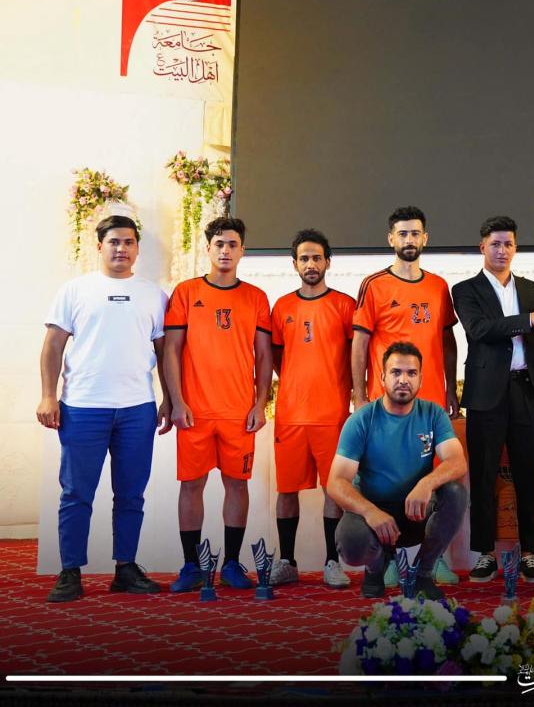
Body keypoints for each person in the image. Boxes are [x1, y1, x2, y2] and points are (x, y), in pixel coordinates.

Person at [37, 215, 172, 602]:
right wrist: (48, 395)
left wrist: (169, 398)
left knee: (131, 495)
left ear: (137, 249)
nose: (121, 248)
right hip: (83, 407)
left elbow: (165, 354)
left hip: (137, 408)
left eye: (129, 242)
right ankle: (70, 572)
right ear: (100, 246)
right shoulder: (75, 290)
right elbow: (52, 346)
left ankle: (125, 569)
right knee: (76, 494)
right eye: (114, 242)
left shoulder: (154, 295)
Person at [452, 216, 534, 583]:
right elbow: (480, 330)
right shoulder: (465, 290)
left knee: (529, 475)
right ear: (482, 247)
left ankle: (530, 553)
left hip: (525, 390)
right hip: (486, 395)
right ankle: (485, 554)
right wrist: (532, 318)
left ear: (516, 248)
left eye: (509, 244)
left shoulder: (530, 288)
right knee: (484, 476)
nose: (502, 250)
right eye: (496, 244)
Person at [351, 206, 459, 586]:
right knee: (387, 481)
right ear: (391, 239)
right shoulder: (374, 285)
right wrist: (360, 396)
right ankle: (391, 559)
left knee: (437, 482)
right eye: (402, 233)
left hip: (430, 405)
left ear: (425, 238)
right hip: (387, 406)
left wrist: (451, 387)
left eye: (415, 233)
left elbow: (447, 341)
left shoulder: (439, 286)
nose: (409, 240)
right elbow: (359, 343)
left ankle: (434, 558)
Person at [164, 217, 273, 592]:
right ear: (208, 248)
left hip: (238, 412)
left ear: (242, 250)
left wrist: (260, 403)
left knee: (237, 485)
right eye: (219, 244)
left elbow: (264, 356)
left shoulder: (256, 297)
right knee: (191, 485)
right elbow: (171, 351)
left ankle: (231, 563)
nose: (225, 250)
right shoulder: (186, 292)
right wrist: (177, 401)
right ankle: (191, 566)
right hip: (194, 411)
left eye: (232, 244)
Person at [328, 342, 468, 600]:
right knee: (351, 541)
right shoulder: (361, 420)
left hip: (416, 510)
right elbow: (336, 482)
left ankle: (423, 573)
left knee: (456, 493)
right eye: (396, 372)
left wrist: (426, 484)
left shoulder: (433, 414)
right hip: (374, 516)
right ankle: (375, 568)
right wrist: (370, 511)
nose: (403, 380)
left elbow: (458, 462)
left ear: (420, 379)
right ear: (382, 377)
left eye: (411, 373)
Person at [268, 229, 355, 589]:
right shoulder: (282, 307)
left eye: (317, 257)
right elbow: (276, 357)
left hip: (332, 415)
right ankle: (287, 561)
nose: (310, 264)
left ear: (327, 262)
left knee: (334, 489)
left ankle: (332, 562)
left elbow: (356, 356)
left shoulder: (345, 305)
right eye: (304, 258)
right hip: (290, 415)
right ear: (294, 264)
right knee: (286, 490)